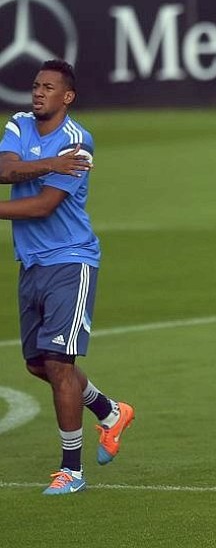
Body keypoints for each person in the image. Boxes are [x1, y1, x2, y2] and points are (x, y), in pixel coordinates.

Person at [0, 59, 135, 495]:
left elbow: (42, 207)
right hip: (32, 261)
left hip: (71, 260)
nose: (38, 93)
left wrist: (50, 166)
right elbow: (4, 171)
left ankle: (71, 470)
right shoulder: (19, 124)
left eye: (48, 87)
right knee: (37, 363)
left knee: (59, 363)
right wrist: (46, 165)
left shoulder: (78, 142)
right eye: (36, 86)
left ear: (67, 97)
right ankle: (110, 410)